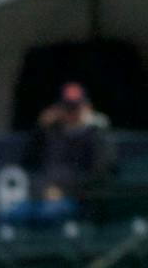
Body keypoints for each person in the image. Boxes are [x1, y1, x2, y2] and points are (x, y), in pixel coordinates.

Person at [7, 83, 114, 225]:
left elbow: (100, 172)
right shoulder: (50, 134)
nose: (71, 113)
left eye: (75, 107)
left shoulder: (95, 136)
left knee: (48, 212)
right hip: (43, 196)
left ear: (86, 108)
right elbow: (29, 163)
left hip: (78, 199)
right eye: (67, 108)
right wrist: (40, 129)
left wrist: (64, 192)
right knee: (11, 214)